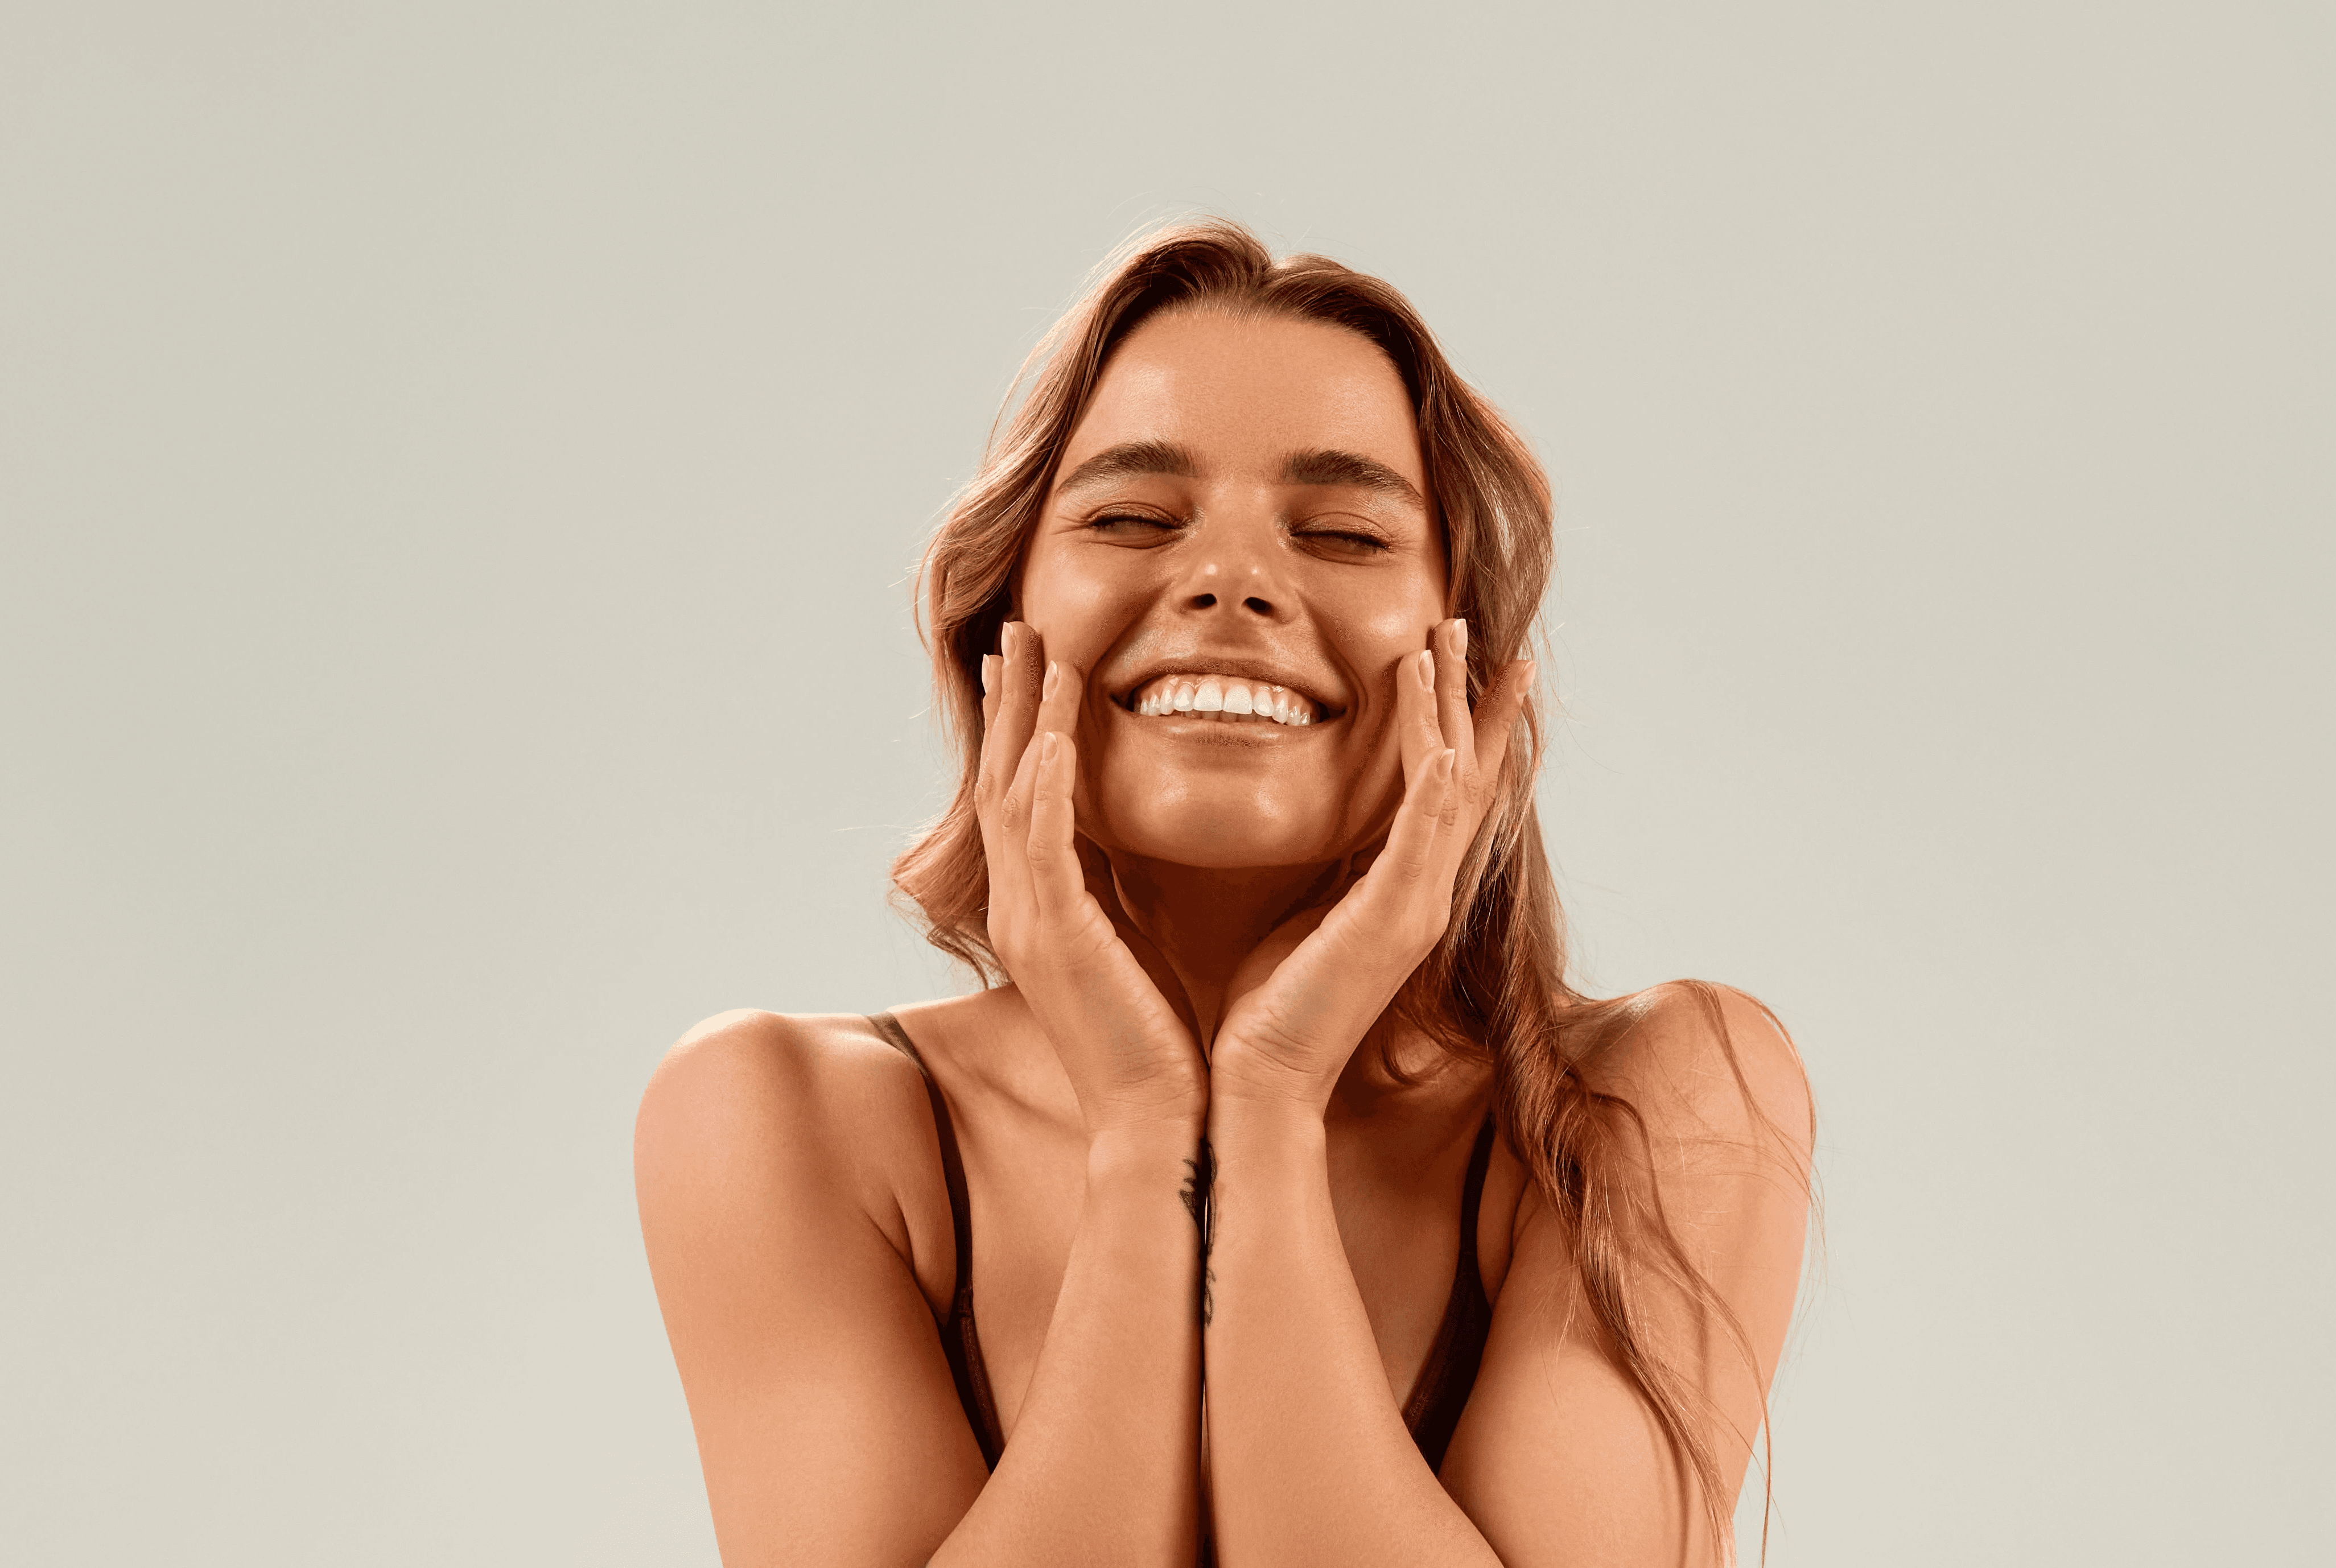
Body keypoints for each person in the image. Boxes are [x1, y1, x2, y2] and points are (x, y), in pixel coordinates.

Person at [633, 219, 1815, 1568]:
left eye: (1344, 530)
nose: (1230, 579)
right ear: (991, 637)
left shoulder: (1654, 1108)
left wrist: (1267, 1102)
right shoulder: (784, 1122)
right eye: (1133, 518)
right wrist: (1147, 1132)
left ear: (1475, 677)